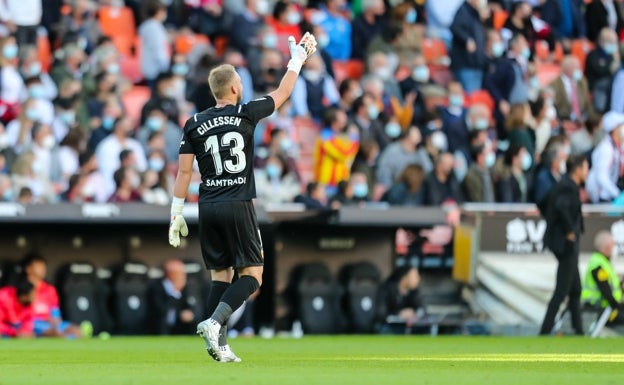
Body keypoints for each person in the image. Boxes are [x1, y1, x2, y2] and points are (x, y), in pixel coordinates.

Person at [167, 32, 317, 362]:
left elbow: (183, 173)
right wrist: (297, 60)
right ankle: (215, 322)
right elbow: (283, 92)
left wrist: (176, 212)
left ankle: (218, 345)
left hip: (206, 206)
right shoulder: (245, 113)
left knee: (220, 276)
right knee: (252, 276)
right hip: (238, 203)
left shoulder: (193, 122)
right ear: (234, 88)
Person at [539, 155, 589, 336]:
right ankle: (545, 331)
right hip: (566, 243)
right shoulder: (569, 187)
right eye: (585, 168)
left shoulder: (561, 184)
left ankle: (579, 330)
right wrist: (568, 230)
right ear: (577, 169)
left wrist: (552, 222)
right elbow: (560, 207)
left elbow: (542, 202)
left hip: (561, 241)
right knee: (561, 291)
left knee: (575, 289)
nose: (587, 172)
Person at [21, 252, 88, 338]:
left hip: (50, 322)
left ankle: (68, 340)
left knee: (77, 331)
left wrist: (55, 320)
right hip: (32, 323)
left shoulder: (50, 289)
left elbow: (55, 311)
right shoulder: (21, 288)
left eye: (43, 266)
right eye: (38, 266)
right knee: (55, 333)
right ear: (28, 268)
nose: (42, 269)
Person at [581, 230, 624, 326]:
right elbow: (606, 291)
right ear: (606, 247)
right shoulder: (598, 265)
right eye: (612, 246)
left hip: (605, 308)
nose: (613, 249)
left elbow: (612, 287)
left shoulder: (602, 262)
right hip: (600, 309)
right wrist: (619, 307)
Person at [146, 259, 196, 335]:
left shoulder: (185, 288)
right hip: (158, 329)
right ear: (171, 274)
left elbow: (188, 306)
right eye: (180, 273)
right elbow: (161, 311)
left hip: (179, 328)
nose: (184, 276)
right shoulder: (156, 287)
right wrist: (175, 292)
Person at [375, 265, 424, 334]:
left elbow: (421, 309)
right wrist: (399, 314)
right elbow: (381, 314)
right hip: (389, 326)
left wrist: (413, 313)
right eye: (415, 276)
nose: (418, 278)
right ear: (404, 278)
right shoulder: (386, 289)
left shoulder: (415, 291)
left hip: (408, 326)